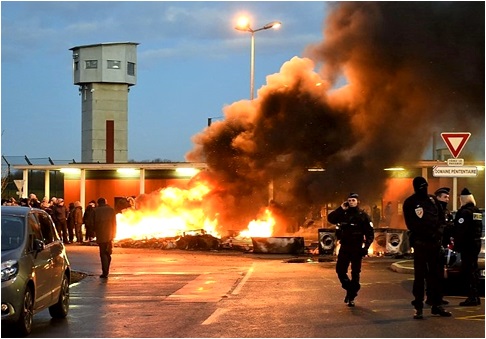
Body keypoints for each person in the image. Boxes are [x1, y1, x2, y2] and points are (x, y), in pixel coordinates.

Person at [403, 176, 452, 319]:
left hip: (435, 244)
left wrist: (437, 233)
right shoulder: (410, 202)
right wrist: (425, 234)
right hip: (420, 244)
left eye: (425, 186)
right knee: (419, 277)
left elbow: (441, 219)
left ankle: (437, 305)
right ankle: (418, 306)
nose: (423, 189)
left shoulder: (432, 200)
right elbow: (411, 224)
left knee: (436, 276)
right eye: (421, 186)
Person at [327, 193, 374, 307]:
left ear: (358, 202)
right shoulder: (343, 214)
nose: (351, 202)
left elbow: (370, 234)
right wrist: (340, 208)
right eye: (349, 200)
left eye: (353, 200)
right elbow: (331, 219)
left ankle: (351, 296)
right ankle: (351, 289)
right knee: (340, 270)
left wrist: (366, 247)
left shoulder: (363, 216)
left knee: (355, 272)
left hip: (357, 247)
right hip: (345, 247)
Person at [454, 188, 483, 306]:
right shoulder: (477, 212)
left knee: (468, 271)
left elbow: (460, 230)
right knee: (474, 270)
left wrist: (457, 245)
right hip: (476, 244)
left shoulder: (464, 212)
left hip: (467, 245)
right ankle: (476, 296)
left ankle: (471, 297)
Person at [424, 187, 452, 306]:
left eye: (448, 197)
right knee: (431, 273)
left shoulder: (446, 212)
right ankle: (431, 297)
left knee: (440, 274)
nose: (447, 199)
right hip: (433, 246)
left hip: (443, 246)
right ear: (438, 197)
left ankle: (439, 297)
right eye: (445, 197)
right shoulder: (433, 210)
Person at [93, 197, 117, 278]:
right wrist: (114, 234)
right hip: (110, 235)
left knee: (103, 254)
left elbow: (92, 224)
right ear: (105, 202)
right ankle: (106, 270)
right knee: (108, 253)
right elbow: (114, 223)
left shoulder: (95, 211)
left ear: (98, 203)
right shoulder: (111, 210)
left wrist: (94, 233)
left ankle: (105, 272)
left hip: (101, 236)